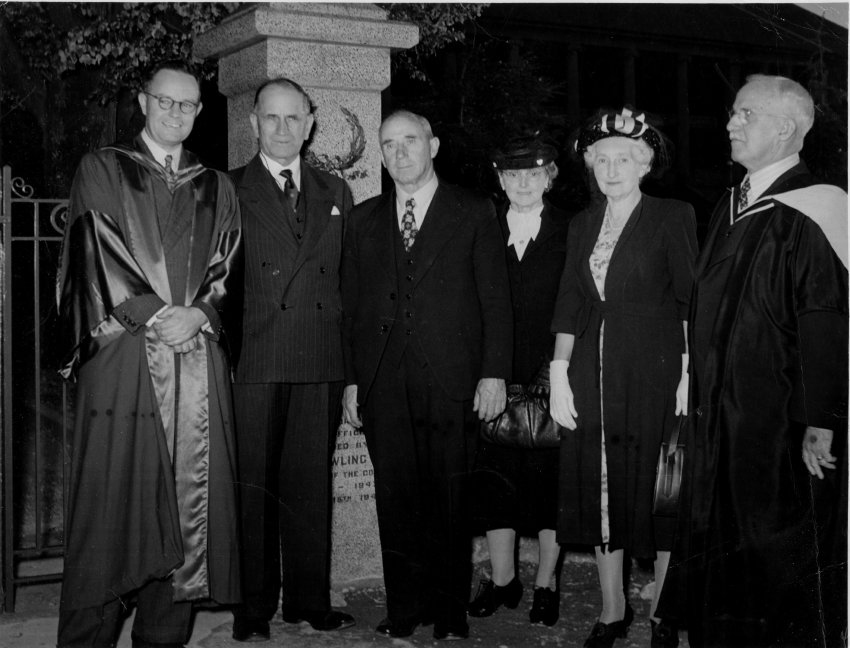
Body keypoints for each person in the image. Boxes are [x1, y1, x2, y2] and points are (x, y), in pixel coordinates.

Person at [55, 59, 242, 648]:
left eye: (188, 105)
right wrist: (162, 314)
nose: (176, 112)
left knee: (187, 517)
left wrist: (203, 314)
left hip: (195, 364)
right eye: (166, 101)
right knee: (110, 513)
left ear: (199, 112)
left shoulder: (217, 184)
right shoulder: (103, 167)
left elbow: (229, 268)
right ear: (143, 102)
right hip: (125, 359)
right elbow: (97, 246)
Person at [657, 75, 848, 648]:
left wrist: (824, 421)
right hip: (722, 413)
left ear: (785, 128)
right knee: (723, 539)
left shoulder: (818, 210)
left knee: (773, 548)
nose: (730, 124)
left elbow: (827, 322)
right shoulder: (732, 202)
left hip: (779, 423)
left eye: (745, 114)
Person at [341, 110, 512, 641]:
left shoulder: (474, 209)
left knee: (451, 498)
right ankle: (405, 607)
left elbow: (495, 300)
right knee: (396, 499)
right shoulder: (363, 219)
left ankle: (449, 610)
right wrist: (352, 380)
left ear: (432, 145)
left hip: (452, 379)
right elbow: (353, 308)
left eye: (410, 141)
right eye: (388, 144)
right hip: (383, 383)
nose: (399, 153)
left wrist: (494, 374)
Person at [549, 107, 697, 648]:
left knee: (658, 487)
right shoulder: (582, 223)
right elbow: (570, 297)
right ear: (590, 166)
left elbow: (689, 298)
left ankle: (661, 610)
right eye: (601, 159)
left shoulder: (672, 215)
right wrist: (559, 367)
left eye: (623, 159)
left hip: (654, 367)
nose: (611, 169)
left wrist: (688, 368)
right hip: (592, 367)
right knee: (599, 486)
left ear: (644, 164)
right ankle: (613, 611)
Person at [229, 78, 355, 642]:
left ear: (310, 123)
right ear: (253, 123)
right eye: (271, 118)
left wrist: (349, 370)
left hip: (319, 358)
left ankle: (309, 601)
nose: (283, 129)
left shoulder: (336, 191)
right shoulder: (227, 189)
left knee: (310, 487)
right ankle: (252, 611)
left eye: (293, 118)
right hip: (255, 358)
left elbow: (350, 283)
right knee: (253, 489)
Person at [468, 134, 567, 627]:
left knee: (551, 488)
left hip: (554, 379)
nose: (523, 184)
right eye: (512, 175)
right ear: (500, 179)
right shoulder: (482, 229)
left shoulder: (570, 231)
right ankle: (504, 581)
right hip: (495, 378)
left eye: (533, 174)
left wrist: (557, 371)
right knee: (495, 484)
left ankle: (547, 584)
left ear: (549, 177)